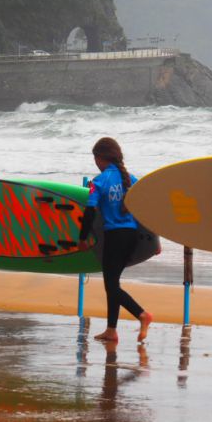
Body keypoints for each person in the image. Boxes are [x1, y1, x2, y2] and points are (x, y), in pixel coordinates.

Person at [79, 137, 152, 344]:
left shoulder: (99, 182)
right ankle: (111, 330)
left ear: (100, 158)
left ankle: (142, 314)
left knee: (111, 286)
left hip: (114, 237)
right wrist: (154, 243)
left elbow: (89, 212)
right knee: (113, 283)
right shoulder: (132, 179)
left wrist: (82, 238)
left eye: (95, 159)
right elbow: (147, 211)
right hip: (131, 238)